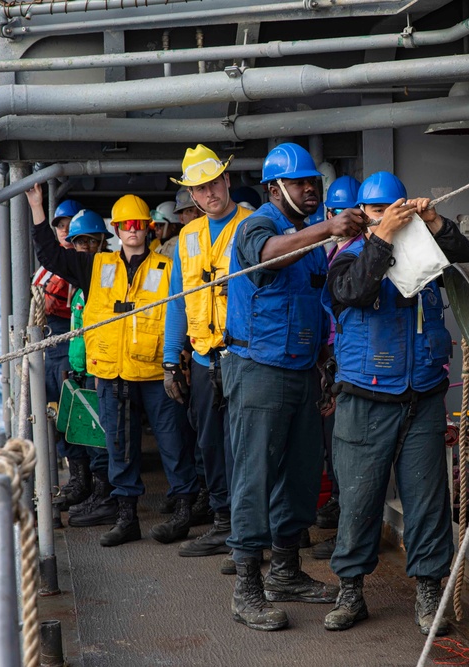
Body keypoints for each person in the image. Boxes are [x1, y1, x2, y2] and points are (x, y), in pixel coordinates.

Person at [322, 171, 469, 634]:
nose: (387, 216)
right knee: (359, 499)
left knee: (428, 501)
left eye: (395, 207)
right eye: (376, 210)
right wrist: (382, 238)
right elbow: (354, 292)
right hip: (365, 400)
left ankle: (429, 594)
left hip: (423, 396)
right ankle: (351, 592)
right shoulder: (346, 260)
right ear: (362, 215)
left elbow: (468, 265)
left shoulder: (427, 254)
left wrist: (437, 222)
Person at [223, 142, 365, 631]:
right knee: (254, 476)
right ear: (275, 187)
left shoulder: (308, 240)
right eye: (301, 182)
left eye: (314, 183)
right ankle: (246, 588)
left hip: (304, 371)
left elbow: (318, 306)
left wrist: (325, 366)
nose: (310, 189)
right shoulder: (256, 226)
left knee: (302, 475)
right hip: (258, 370)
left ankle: (284, 573)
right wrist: (329, 227)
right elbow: (265, 259)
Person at [27, 185, 202, 548]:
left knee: (173, 441)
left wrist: (181, 360)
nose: (133, 229)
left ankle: (184, 510)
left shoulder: (168, 268)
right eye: (126, 224)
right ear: (118, 231)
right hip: (111, 371)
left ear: (148, 228)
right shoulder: (96, 265)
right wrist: (37, 209)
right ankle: (126, 517)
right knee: (119, 444)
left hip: (156, 372)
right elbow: (50, 256)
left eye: (139, 223)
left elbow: (185, 313)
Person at [162, 145, 255, 563]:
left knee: (248, 446)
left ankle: (250, 530)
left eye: (214, 182)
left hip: (245, 357)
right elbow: (177, 301)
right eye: (199, 189)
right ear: (192, 196)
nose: (209, 193)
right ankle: (223, 525)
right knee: (210, 444)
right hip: (202, 359)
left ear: (227, 180)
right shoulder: (187, 237)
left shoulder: (254, 225)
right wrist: (170, 361)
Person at [310, 174, 362, 562]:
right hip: (329, 358)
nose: (340, 218)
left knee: (348, 450)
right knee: (332, 445)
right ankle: (340, 510)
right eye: (333, 212)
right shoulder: (326, 251)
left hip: (350, 360)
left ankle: (349, 524)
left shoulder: (362, 252)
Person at [32, 198, 91, 511]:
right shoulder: (49, 265)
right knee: (56, 416)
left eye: (70, 223)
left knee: (75, 415)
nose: (65, 228)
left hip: (71, 346)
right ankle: (78, 477)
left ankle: (84, 481)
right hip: (51, 345)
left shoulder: (76, 264)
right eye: (60, 223)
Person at [61, 209, 114, 518]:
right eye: (79, 242)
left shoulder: (103, 278)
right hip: (83, 370)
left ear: (102, 243)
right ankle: (95, 492)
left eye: (91, 242)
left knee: (100, 441)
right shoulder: (82, 283)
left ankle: (105, 499)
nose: (85, 248)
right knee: (86, 436)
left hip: (98, 370)